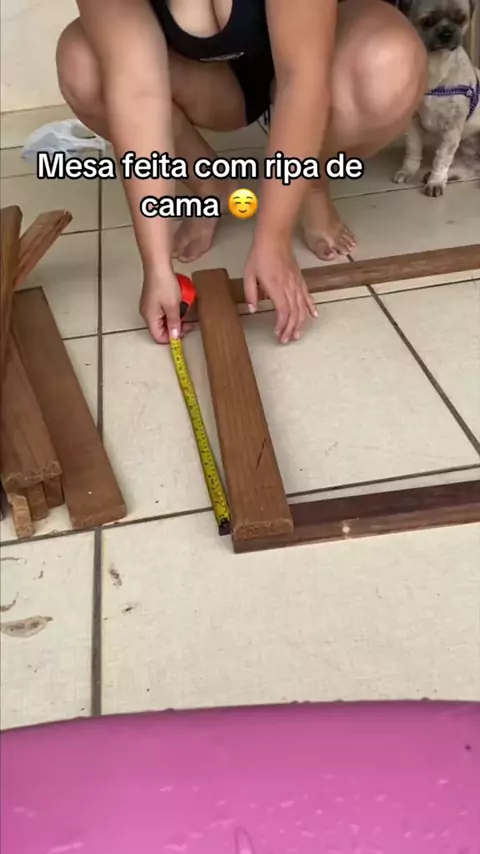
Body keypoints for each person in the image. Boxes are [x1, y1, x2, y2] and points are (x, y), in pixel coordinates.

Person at [57, 0, 426, 345]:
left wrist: (273, 240)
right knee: (83, 64)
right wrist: (156, 267)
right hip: (224, 81)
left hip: (327, 51)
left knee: (388, 63)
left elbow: (302, 77)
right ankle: (211, 186)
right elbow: (136, 92)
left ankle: (310, 183)